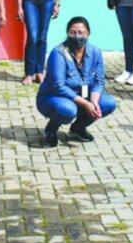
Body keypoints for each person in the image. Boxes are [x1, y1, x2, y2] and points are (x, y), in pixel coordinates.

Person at [36, 17, 116, 147]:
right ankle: (50, 130)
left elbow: (99, 81)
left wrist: (94, 102)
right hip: (54, 97)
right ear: (67, 33)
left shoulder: (95, 52)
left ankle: (77, 129)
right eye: (72, 32)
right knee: (68, 110)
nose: (76, 36)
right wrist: (86, 104)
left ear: (88, 34)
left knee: (108, 103)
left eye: (81, 32)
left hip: (81, 96)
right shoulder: (59, 53)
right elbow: (59, 86)